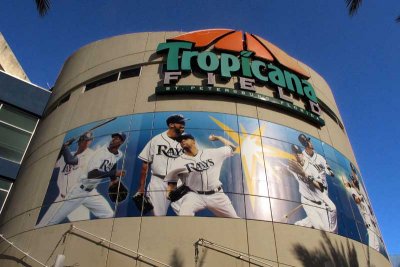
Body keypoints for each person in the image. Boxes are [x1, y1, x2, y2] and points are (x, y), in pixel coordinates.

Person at [45, 132, 126, 226]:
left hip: (91, 192)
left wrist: (113, 179)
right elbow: (92, 174)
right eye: (113, 137)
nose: (113, 139)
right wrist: (114, 173)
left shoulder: (118, 154)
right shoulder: (100, 153)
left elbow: (113, 162)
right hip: (78, 192)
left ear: (121, 142)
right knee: (53, 222)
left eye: (117, 138)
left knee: (109, 214)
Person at [165, 133, 239, 218]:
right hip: (194, 195)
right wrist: (169, 193)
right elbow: (171, 182)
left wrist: (219, 137)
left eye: (185, 138)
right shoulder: (178, 161)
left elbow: (232, 148)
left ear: (193, 141)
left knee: (234, 219)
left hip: (217, 195)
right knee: (183, 217)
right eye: (180, 141)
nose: (182, 141)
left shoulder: (212, 153)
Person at [36, 132, 94, 227]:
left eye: (89, 140)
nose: (86, 143)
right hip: (61, 198)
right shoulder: (69, 154)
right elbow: (53, 163)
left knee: (82, 228)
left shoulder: (89, 155)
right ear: (79, 142)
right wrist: (61, 150)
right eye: (84, 140)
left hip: (75, 199)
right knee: (41, 226)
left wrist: (64, 147)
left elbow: (70, 161)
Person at [136, 114, 188, 216]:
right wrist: (141, 187)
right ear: (171, 125)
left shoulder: (187, 140)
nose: (183, 125)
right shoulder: (156, 140)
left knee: (186, 213)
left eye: (184, 123)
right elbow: (145, 164)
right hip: (158, 181)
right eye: (180, 122)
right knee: (158, 216)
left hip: (179, 182)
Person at [288, 144, 337, 233]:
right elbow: (286, 170)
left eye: (299, 153)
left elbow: (321, 187)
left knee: (332, 210)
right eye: (295, 154)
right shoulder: (294, 167)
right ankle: (294, 228)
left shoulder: (311, 167)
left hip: (319, 200)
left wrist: (305, 174)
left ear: (302, 154)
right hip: (307, 202)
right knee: (322, 230)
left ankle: (298, 225)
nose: (297, 155)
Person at [345, 163, 381, 250]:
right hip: (367, 223)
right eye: (353, 181)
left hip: (372, 224)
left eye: (355, 180)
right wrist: (360, 196)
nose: (355, 182)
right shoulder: (353, 190)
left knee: (377, 246)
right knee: (372, 246)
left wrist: (354, 172)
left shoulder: (360, 190)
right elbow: (356, 199)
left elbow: (357, 181)